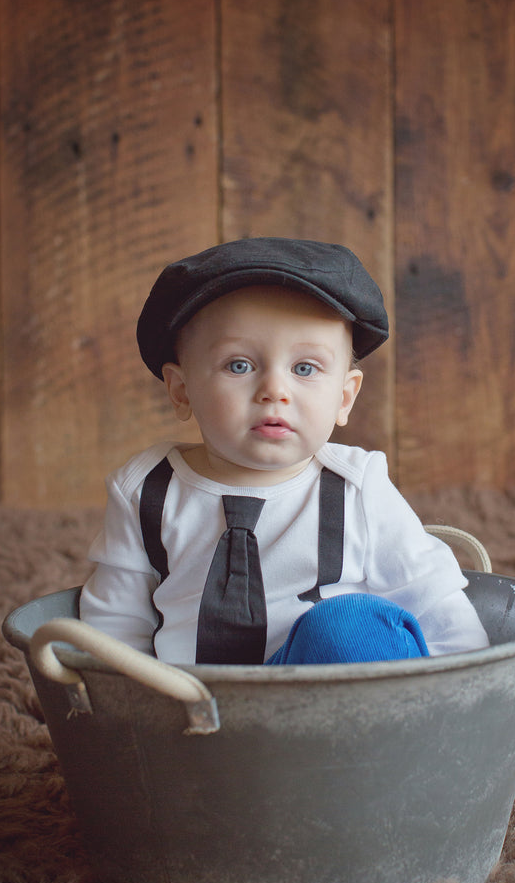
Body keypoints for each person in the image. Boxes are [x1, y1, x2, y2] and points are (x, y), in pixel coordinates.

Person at [79, 237, 489, 665]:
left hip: (327, 690)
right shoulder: (145, 490)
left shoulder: (356, 486)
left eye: (304, 368)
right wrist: (126, 694)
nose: (275, 390)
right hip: (191, 696)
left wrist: (471, 682)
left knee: (355, 624)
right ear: (182, 391)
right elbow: (116, 623)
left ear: (344, 397)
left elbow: (432, 596)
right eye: (239, 365)